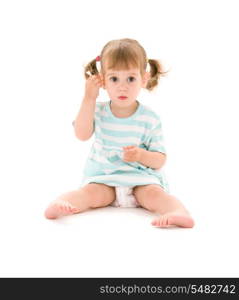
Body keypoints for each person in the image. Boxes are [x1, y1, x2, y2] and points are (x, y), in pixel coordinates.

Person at [44, 38, 194, 228]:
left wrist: (140, 155)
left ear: (144, 79)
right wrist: (89, 98)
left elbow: (159, 160)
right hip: (104, 179)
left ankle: (178, 212)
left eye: (131, 78)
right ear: (103, 80)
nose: (122, 87)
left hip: (141, 180)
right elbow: (81, 135)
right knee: (89, 194)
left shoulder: (150, 118)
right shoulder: (97, 110)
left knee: (155, 195)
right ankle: (62, 204)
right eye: (114, 78)